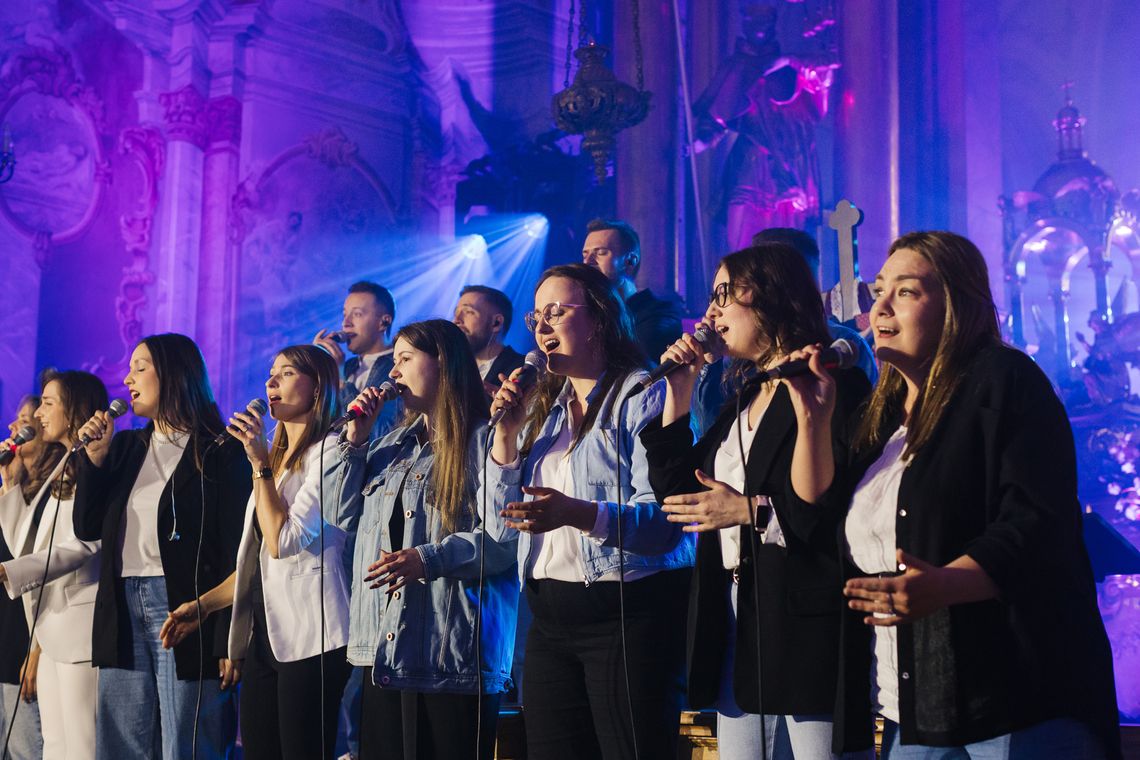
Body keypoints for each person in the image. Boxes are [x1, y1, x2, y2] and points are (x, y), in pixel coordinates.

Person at [783, 231, 1121, 759]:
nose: (881, 308)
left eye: (907, 292)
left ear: (956, 306)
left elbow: (1035, 523)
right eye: (878, 292)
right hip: (912, 705)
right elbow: (815, 519)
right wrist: (812, 417)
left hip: (1012, 694)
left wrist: (945, 584)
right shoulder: (882, 418)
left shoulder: (1004, 380)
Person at [640, 244, 870, 759]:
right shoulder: (743, 396)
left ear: (773, 296)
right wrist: (680, 388)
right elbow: (681, 494)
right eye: (712, 296)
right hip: (735, 619)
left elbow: (833, 509)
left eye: (726, 293)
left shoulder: (833, 382)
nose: (712, 311)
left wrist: (748, 511)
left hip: (804, 618)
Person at [486, 263, 694, 760]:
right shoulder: (545, 409)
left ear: (599, 318)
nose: (542, 326)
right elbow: (498, 527)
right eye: (536, 316)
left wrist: (579, 513)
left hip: (625, 615)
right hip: (550, 620)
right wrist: (506, 438)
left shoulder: (644, 393)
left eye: (557, 312)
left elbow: (667, 523)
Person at [330, 319, 517, 760]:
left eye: (405, 359)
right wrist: (355, 441)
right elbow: (339, 517)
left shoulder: (483, 440)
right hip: (384, 654)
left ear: (444, 365)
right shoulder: (389, 447)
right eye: (393, 361)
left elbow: (504, 540)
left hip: (449, 656)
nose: (393, 373)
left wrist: (429, 558)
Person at [158, 344, 352, 759]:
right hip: (266, 633)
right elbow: (256, 562)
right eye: (270, 374)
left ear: (318, 387)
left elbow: (283, 542)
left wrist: (260, 466)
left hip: (313, 634)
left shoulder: (333, 451)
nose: (270, 382)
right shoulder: (274, 459)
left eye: (285, 373)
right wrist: (204, 605)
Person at [72, 333, 249, 759]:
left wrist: (229, 638)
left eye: (139, 367)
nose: (127, 378)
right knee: (122, 742)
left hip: (186, 606)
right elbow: (87, 527)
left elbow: (236, 550)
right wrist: (94, 461)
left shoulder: (221, 449)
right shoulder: (126, 447)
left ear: (173, 373)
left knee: (186, 741)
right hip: (123, 601)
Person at [0, 372, 107, 760]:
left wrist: (12, 572)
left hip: (78, 630)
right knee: (56, 747)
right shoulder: (64, 463)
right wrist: (10, 486)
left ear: (73, 407)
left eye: (48, 403)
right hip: (48, 626)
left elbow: (86, 543)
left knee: (81, 745)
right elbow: (23, 547)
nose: (38, 414)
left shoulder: (92, 465)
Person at [0, 396, 49, 760]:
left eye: (26, 422)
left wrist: (36, 651)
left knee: (25, 747)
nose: (14, 429)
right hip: (3, 637)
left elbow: (43, 574)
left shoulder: (52, 494)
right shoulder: (11, 487)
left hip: (24, 639)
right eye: (15, 421)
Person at [581, 218, 684, 366]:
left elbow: (634, 364)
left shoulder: (659, 314)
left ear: (630, 261)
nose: (588, 261)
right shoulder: (592, 314)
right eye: (585, 255)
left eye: (601, 253)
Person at [314, 281, 402, 440]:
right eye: (345, 314)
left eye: (357, 314)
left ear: (384, 322)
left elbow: (385, 432)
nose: (345, 323)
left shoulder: (398, 367)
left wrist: (341, 380)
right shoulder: (347, 367)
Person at [453, 285, 526, 397]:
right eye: (456, 313)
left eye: (468, 311)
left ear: (496, 323)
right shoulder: (452, 371)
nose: (456, 320)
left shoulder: (523, 369)